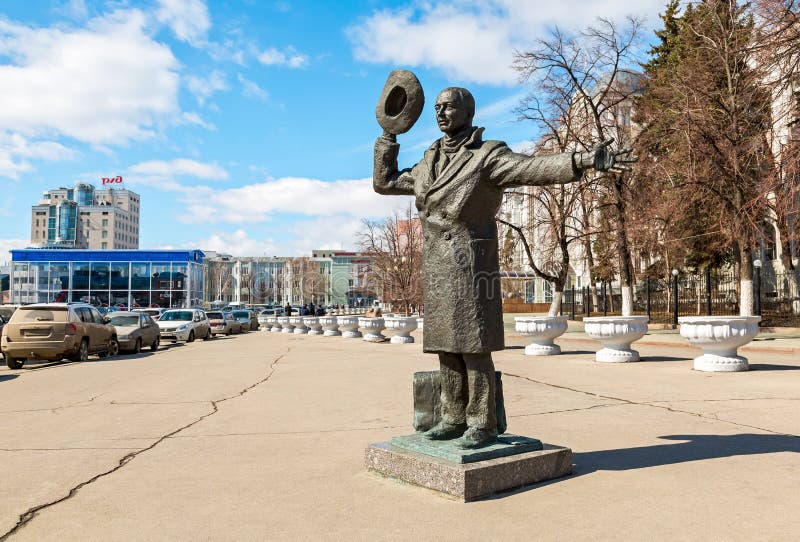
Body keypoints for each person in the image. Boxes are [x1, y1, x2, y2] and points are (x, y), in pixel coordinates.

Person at [373, 86, 633, 448]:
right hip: (436, 267)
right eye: (437, 108)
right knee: (446, 348)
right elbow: (385, 183)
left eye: (449, 107)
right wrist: (389, 136)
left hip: (470, 264)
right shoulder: (427, 161)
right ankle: (451, 417)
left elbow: (531, 167)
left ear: (468, 113)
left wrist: (583, 160)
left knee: (474, 347)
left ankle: (481, 422)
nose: (441, 113)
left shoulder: (487, 155)